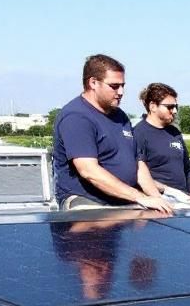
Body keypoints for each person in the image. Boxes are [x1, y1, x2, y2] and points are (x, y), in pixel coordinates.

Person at [52, 54, 173, 214]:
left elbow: (138, 165)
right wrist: (139, 197)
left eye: (123, 85)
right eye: (114, 86)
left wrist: (157, 198)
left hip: (122, 200)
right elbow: (89, 171)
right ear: (93, 83)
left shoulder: (120, 116)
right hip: (87, 202)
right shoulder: (76, 117)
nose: (121, 91)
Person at [133, 83, 190, 202]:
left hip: (184, 200)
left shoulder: (174, 132)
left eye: (176, 106)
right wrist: (167, 192)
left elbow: (187, 167)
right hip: (160, 201)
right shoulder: (139, 133)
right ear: (153, 106)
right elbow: (137, 174)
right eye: (170, 107)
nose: (175, 111)